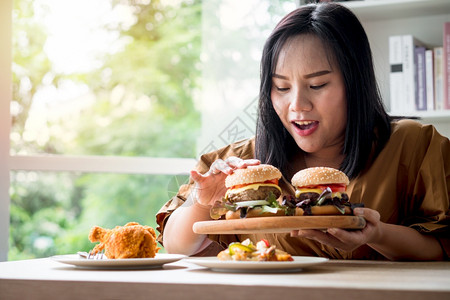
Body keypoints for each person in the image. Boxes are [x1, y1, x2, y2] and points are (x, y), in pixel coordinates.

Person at [156, 3, 450, 260]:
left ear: (354, 82)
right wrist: (204, 203)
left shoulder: (414, 144)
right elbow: (175, 245)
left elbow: (443, 244)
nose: (297, 105)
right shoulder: (241, 163)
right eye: (281, 87)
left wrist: (377, 234)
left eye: (317, 85)